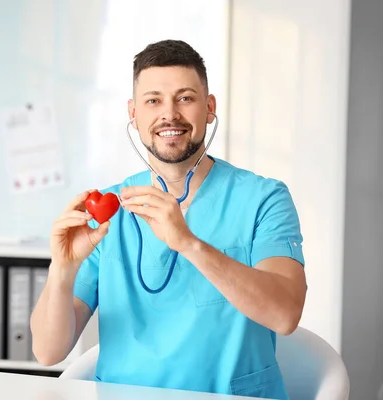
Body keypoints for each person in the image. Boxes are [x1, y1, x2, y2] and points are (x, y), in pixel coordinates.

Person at [30, 39, 307, 400]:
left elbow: (285, 315)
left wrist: (188, 243)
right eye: (153, 100)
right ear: (134, 113)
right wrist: (62, 270)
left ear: (209, 108)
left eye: (185, 98)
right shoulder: (109, 211)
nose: (169, 114)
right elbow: (48, 352)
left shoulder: (264, 198)